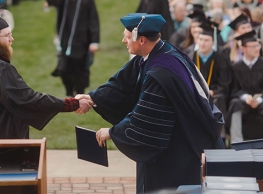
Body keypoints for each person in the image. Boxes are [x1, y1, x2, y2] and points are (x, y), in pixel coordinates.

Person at [77, 13, 223, 192]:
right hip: (176, 142)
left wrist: (113, 133)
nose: (123, 40)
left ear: (142, 40)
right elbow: (122, 84)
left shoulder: (161, 72)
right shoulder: (158, 53)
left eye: (127, 36)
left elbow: (146, 119)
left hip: (178, 150)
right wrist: (93, 98)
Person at [0, 8, 94, 139]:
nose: (12, 39)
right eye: (7, 35)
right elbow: (27, 100)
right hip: (3, 143)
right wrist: (72, 103)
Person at [44, 0, 100, 96]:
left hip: (81, 42)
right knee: (63, 69)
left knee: (79, 70)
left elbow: (93, 21)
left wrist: (94, 41)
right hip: (64, 40)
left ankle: (79, 94)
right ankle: (69, 92)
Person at [226, 30, 263, 143]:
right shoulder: (236, 67)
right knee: (234, 104)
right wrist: (246, 97)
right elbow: (234, 89)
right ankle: (237, 142)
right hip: (244, 101)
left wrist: (259, 99)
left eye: (258, 46)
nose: (257, 49)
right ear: (243, 49)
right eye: (253, 46)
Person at [191, 19, 231, 118]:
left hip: (214, 93)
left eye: (206, 40)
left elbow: (224, 82)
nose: (202, 43)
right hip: (195, 92)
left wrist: (213, 91)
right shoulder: (190, 57)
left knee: (219, 98)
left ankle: (220, 131)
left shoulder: (221, 59)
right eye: (200, 39)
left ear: (213, 43)